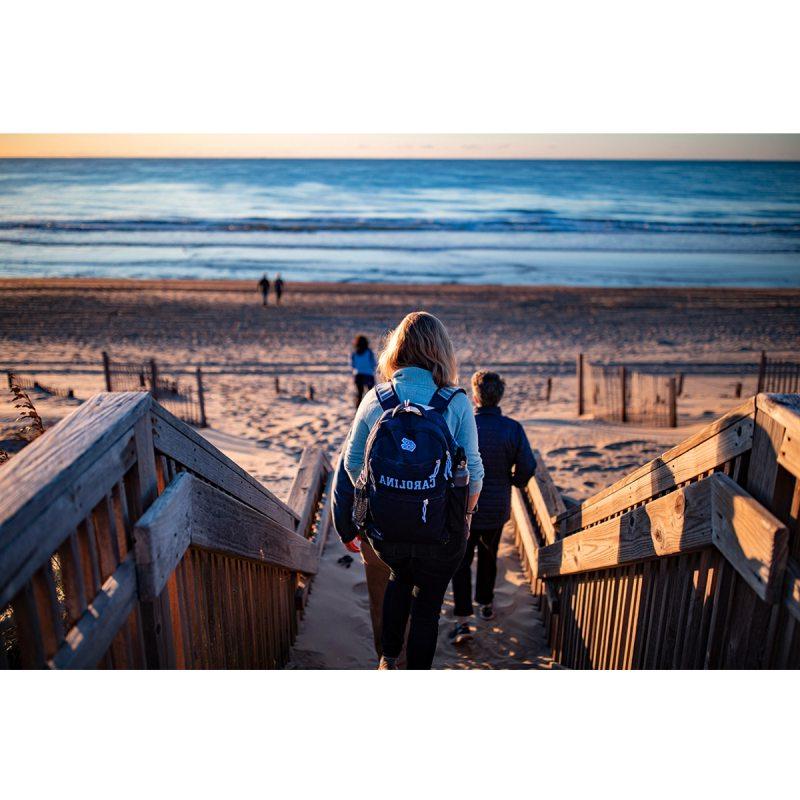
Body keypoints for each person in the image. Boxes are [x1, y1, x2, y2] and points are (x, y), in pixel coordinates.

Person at [343, 312, 483, 669]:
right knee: (428, 605)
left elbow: (351, 462)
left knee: (399, 577)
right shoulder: (456, 401)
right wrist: (463, 516)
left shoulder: (377, 398)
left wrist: (378, 496)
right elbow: (476, 474)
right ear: (441, 351)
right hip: (440, 533)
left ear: (396, 349)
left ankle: (389, 659)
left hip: (387, 531)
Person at [449, 371, 536, 644]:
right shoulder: (512, 428)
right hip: (497, 507)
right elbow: (528, 466)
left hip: (464, 508)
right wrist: (513, 480)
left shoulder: (465, 426)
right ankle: (485, 605)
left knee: (461, 562)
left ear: (475, 396)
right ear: (500, 396)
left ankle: (463, 620)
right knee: (489, 556)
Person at [350, 335, 377, 408]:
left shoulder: (354, 353)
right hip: (368, 375)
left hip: (358, 375)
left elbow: (353, 365)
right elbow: (374, 364)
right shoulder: (369, 352)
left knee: (359, 394)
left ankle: (358, 410)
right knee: (371, 395)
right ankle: (370, 408)